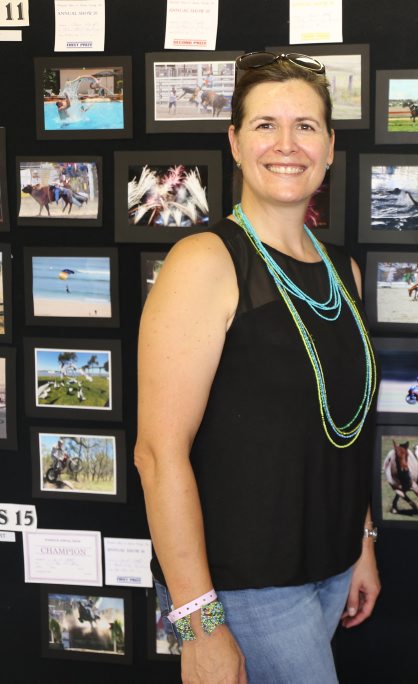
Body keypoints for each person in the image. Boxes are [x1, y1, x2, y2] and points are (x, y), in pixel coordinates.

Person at [135, 51, 380, 684]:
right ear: (235, 144)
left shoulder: (341, 269)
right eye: (265, 125)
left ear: (329, 146)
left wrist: (362, 544)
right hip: (244, 588)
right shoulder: (205, 262)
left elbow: (340, 426)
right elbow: (158, 453)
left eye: (306, 126)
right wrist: (198, 622)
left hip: (329, 568)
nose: (286, 144)